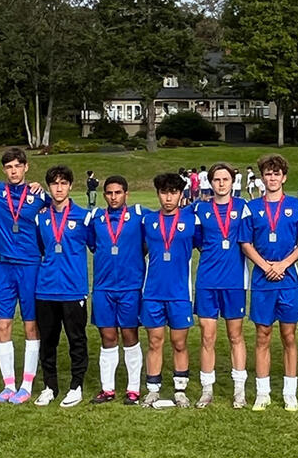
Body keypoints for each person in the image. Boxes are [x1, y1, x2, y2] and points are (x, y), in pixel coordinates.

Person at [240, 153, 298, 411]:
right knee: (262, 335)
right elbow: (246, 243)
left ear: (284, 177)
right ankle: (263, 392)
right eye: (268, 174)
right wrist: (266, 265)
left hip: (287, 279)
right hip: (262, 279)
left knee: (289, 336)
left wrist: (283, 265)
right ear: (262, 178)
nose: (272, 178)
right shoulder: (251, 208)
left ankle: (290, 392)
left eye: (276, 173)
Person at [0, 148, 49, 404]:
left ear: (26, 167)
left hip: (30, 265)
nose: (13, 171)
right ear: (4, 170)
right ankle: (8, 385)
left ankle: (27, 384)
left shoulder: (39, 196)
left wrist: (41, 190)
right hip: (3, 267)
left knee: (30, 325)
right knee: (3, 325)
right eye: (9, 167)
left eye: (17, 166)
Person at [32, 166, 92, 407]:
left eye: (63, 183)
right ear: (49, 187)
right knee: (48, 341)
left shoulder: (83, 217)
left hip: (74, 290)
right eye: (54, 183)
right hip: (45, 289)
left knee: (76, 339)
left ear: (70, 186)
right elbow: (40, 247)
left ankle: (76, 386)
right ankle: (50, 386)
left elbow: (96, 245)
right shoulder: (41, 217)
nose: (59, 188)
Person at [192, 162, 250, 408]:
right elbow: (197, 241)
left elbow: (250, 238)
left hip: (235, 282)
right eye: (217, 179)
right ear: (210, 182)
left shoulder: (243, 207)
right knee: (207, 336)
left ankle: (239, 390)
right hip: (207, 281)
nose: (221, 183)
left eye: (226, 179)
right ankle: (207, 389)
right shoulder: (200, 209)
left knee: (235, 335)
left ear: (232, 181)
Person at [87, 175, 147, 405]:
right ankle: (107, 388)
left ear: (126, 194)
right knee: (107, 336)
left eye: (118, 193)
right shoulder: (96, 219)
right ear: (104, 195)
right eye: (109, 193)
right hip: (103, 287)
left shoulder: (139, 216)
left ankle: (133, 389)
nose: (114, 197)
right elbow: (93, 245)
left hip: (130, 286)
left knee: (130, 335)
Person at [140, 173, 197, 407]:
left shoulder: (192, 221)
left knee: (179, 342)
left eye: (173, 192)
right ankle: (153, 389)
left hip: (180, 293)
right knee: (154, 341)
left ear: (181, 194)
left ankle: (180, 389)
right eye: (164, 192)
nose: (168, 197)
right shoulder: (147, 221)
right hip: (152, 292)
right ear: (158, 194)